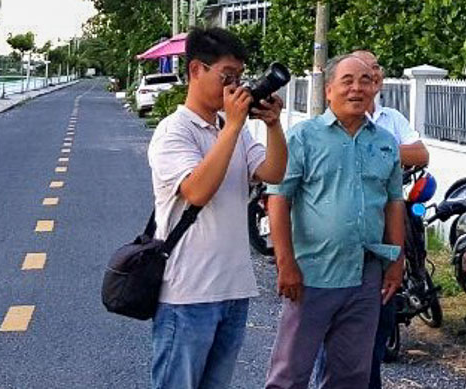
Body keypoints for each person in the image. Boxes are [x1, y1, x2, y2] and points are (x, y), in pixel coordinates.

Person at [147, 27, 287, 389]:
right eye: (227, 77)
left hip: (233, 288)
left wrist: (273, 126)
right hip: (187, 293)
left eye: (240, 79)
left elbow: (272, 171)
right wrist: (233, 126)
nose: (235, 88)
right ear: (196, 70)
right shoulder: (173, 131)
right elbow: (196, 191)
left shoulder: (233, 129)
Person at [265, 52, 406, 389]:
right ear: (329, 91)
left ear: (375, 89)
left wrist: (396, 261)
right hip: (312, 275)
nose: (357, 89)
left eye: (366, 81)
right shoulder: (303, 137)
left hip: (364, 277)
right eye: (347, 81)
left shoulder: (386, 143)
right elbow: (279, 199)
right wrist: (285, 262)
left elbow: (394, 204)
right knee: (290, 374)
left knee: (350, 375)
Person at [309, 52, 428, 388]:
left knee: (370, 348)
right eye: (353, 76)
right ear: (333, 87)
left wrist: (379, 148)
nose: (364, 81)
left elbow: (418, 158)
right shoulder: (314, 135)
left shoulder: (390, 123)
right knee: (317, 358)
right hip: (328, 264)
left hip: (376, 257)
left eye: (372, 71)